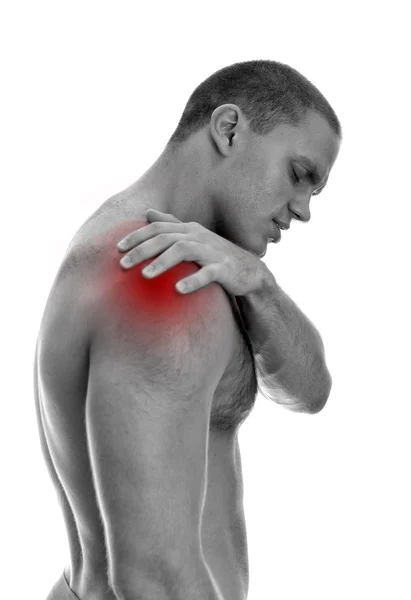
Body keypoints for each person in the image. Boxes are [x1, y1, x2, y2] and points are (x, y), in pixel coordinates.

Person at [35, 59, 342, 600]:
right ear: (228, 129)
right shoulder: (157, 279)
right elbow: (151, 575)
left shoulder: (197, 260)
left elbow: (311, 391)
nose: (304, 210)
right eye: (299, 175)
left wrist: (260, 285)